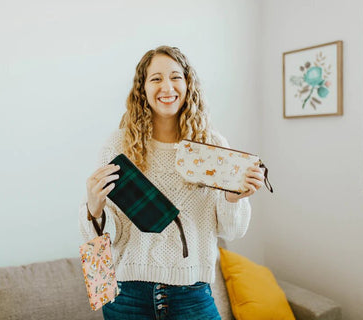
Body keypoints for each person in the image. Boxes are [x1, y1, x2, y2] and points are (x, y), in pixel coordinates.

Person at [79, 45, 265, 320]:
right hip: (128, 296)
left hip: (193, 296)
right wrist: (93, 208)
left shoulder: (211, 146)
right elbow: (106, 239)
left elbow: (232, 231)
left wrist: (233, 198)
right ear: (142, 89)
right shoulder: (118, 147)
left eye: (176, 77)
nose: (167, 86)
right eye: (156, 78)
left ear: (188, 84)